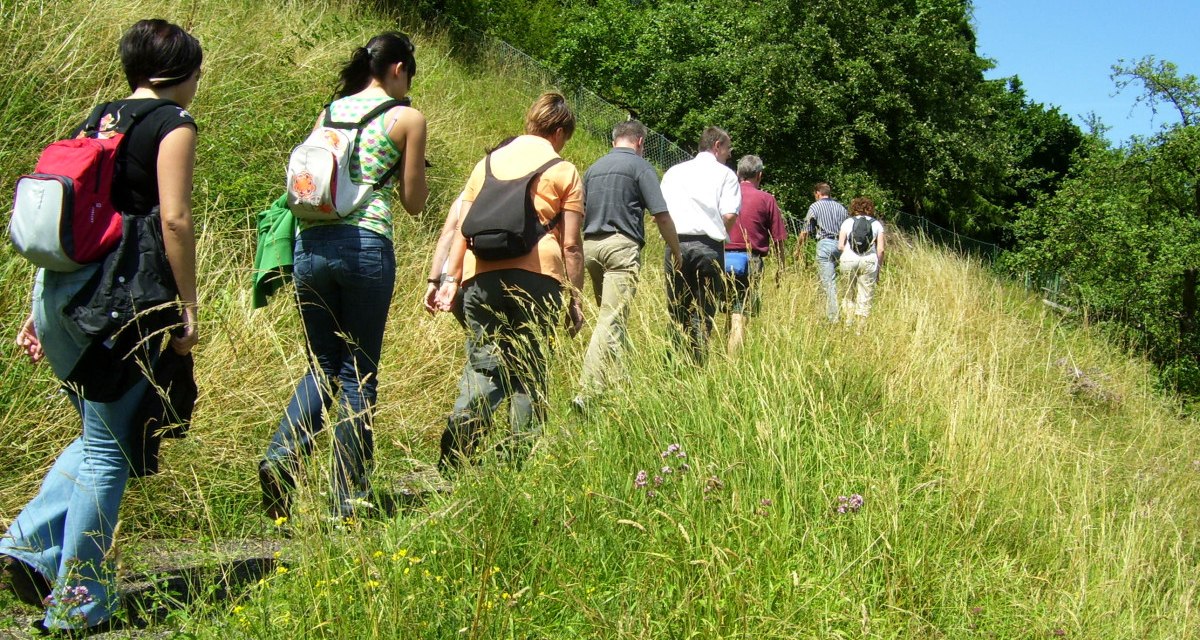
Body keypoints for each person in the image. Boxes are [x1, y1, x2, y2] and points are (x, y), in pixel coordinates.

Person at [2, 19, 202, 634]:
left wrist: (36, 312)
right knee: (108, 452)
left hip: (68, 293)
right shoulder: (173, 125)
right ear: (185, 73)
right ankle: (76, 601)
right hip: (127, 299)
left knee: (97, 433)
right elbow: (173, 219)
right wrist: (189, 304)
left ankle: (26, 543)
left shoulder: (99, 117)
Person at [259, 32, 428, 521]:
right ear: (398, 68)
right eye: (409, 75)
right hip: (366, 247)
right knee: (358, 372)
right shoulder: (406, 119)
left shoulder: (331, 110)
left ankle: (282, 456)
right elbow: (415, 205)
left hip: (310, 245)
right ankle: (345, 501)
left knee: (322, 364)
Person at [435, 92, 585, 470]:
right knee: (530, 370)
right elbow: (571, 245)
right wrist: (575, 298)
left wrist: (450, 279)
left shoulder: (485, 164)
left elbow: (462, 231)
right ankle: (518, 458)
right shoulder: (563, 170)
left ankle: (461, 438)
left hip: (481, 275)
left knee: (484, 364)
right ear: (560, 131)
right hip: (539, 279)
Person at [574, 120, 682, 407]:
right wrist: (677, 251)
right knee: (610, 319)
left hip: (591, 247)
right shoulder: (640, 167)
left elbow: (579, 213)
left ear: (614, 141)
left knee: (613, 319)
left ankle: (621, 388)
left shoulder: (593, 169)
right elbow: (661, 215)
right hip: (621, 247)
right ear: (640, 143)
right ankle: (586, 392)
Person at [659, 126, 741, 364]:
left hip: (676, 245)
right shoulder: (726, 175)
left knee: (677, 308)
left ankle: (674, 363)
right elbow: (729, 215)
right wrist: (717, 233)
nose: (729, 154)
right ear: (717, 146)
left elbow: (661, 212)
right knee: (704, 312)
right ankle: (697, 363)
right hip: (708, 247)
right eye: (728, 149)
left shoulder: (674, 172)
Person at [724, 154, 787, 354]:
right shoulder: (767, 199)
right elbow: (779, 238)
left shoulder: (724, 194)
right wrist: (782, 267)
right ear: (759, 175)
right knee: (740, 313)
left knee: (727, 312)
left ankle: (725, 353)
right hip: (751, 260)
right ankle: (733, 363)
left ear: (738, 173)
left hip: (721, 258)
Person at [797, 182, 848, 323]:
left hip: (825, 244)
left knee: (828, 282)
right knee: (833, 280)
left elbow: (805, 230)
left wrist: (798, 248)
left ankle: (833, 319)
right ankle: (823, 312)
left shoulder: (815, 206)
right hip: (841, 245)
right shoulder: (841, 208)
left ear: (818, 193)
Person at [837, 196, 886, 324]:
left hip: (849, 259)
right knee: (865, 295)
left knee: (848, 293)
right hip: (869, 261)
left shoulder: (847, 222)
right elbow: (880, 250)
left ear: (854, 208)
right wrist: (878, 270)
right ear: (870, 209)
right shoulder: (876, 224)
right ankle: (860, 328)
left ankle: (848, 323)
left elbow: (840, 246)